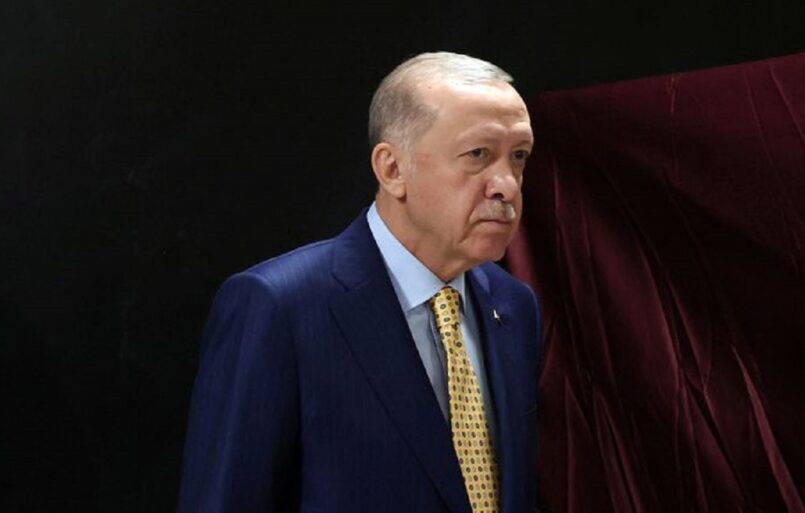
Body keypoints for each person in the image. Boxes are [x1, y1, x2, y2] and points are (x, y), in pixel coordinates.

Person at [178, 51, 541, 513]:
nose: (507, 185)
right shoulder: (281, 306)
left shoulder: (513, 306)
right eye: (478, 155)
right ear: (392, 169)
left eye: (519, 157)